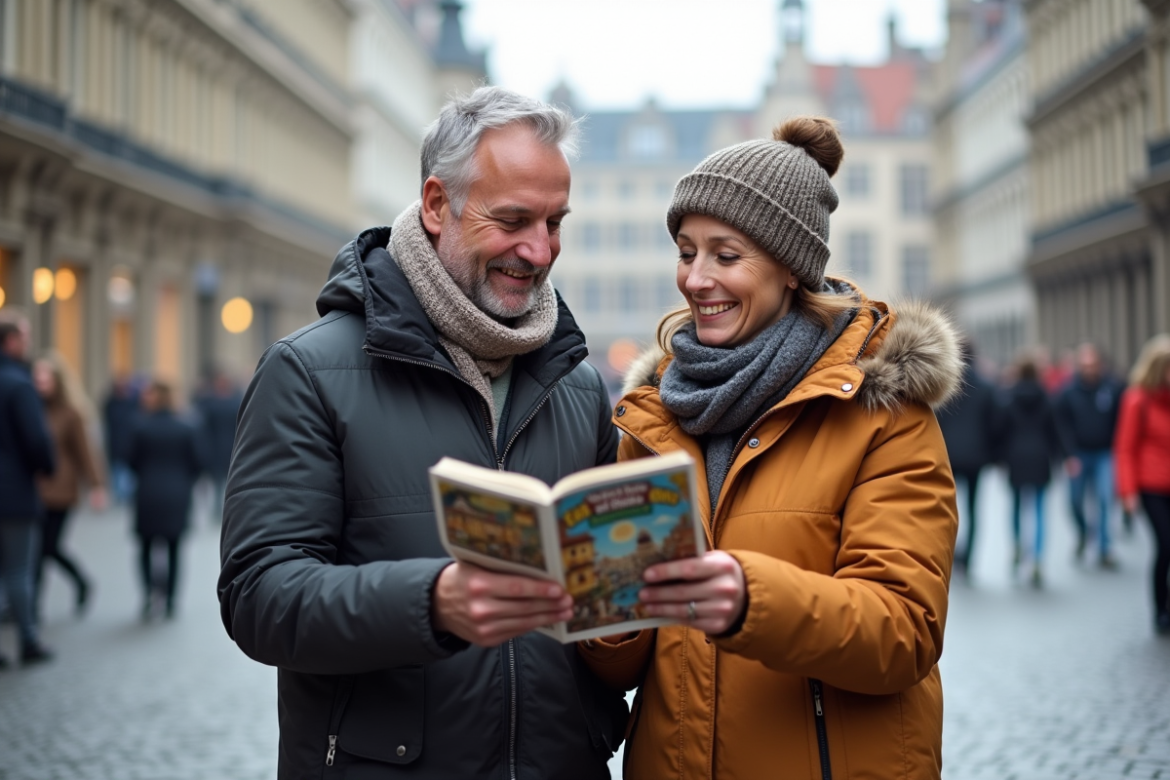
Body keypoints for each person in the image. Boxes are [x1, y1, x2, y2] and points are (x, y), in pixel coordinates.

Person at [218, 87, 627, 779]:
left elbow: (601, 606)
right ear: (438, 205)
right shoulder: (308, 372)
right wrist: (431, 601)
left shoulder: (579, 387)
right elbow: (260, 597)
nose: (540, 249)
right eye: (514, 219)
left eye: (556, 222)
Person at [577, 118, 961, 779]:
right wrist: (601, 605)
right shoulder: (656, 416)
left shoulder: (880, 413)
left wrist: (749, 599)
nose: (696, 280)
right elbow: (625, 663)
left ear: (790, 266)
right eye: (685, 251)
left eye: (726, 256)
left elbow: (904, 632)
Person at [0, 311, 56, 666]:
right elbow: (36, 440)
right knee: (20, 569)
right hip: (13, 492)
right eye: (25, 336)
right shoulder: (18, 384)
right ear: (11, 341)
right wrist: (45, 468)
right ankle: (29, 640)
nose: (29, 343)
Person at [32, 353, 107, 618]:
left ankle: (81, 581)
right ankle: (31, 606)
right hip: (34, 489)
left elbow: (85, 453)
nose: (40, 382)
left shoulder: (71, 413)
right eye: (37, 376)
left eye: (46, 377)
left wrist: (97, 487)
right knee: (37, 549)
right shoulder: (29, 407)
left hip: (61, 490)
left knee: (48, 547)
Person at [128, 380, 201, 620]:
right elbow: (199, 461)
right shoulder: (187, 427)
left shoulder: (141, 427)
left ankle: (149, 593)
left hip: (147, 492)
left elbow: (130, 460)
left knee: (146, 547)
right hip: (177, 493)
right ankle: (170, 599)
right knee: (174, 548)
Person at [1114, 335, 1170, 635]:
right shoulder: (1137, 399)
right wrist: (1127, 491)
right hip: (1151, 485)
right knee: (1165, 544)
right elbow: (1125, 447)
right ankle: (1161, 608)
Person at [1055, 343, 1125, 567]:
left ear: (1100, 364)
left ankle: (1104, 547)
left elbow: (1121, 421)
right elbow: (1061, 425)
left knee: (1105, 498)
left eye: (1092, 364)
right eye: (1084, 364)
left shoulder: (1112, 388)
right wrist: (1068, 455)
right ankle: (1084, 532)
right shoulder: (1068, 392)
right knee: (1075, 501)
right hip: (1078, 454)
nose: (1088, 369)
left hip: (1105, 453)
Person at [999, 356, 1067, 587]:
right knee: (1039, 508)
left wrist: (1000, 457)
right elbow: (1056, 430)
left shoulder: (1008, 397)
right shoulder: (1047, 398)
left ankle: (1018, 545)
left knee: (1017, 505)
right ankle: (1037, 557)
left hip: (1016, 457)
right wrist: (1064, 456)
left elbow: (1001, 430)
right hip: (1040, 457)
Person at [937, 340, 1001, 580]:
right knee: (974, 509)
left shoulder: (945, 384)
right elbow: (995, 423)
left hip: (948, 455)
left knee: (946, 510)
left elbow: (935, 420)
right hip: (976, 457)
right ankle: (969, 559)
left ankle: (949, 556)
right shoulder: (985, 386)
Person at [193, 370, 242, 524]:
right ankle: (216, 510)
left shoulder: (236, 401)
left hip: (231, 447)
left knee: (229, 482)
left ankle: (226, 510)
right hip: (213, 447)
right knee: (215, 482)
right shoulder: (208, 402)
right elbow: (201, 426)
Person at [102, 375, 139, 504]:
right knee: (118, 471)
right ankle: (121, 495)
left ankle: (126, 494)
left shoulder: (133, 403)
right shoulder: (110, 403)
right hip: (115, 443)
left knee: (126, 472)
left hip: (129, 443)